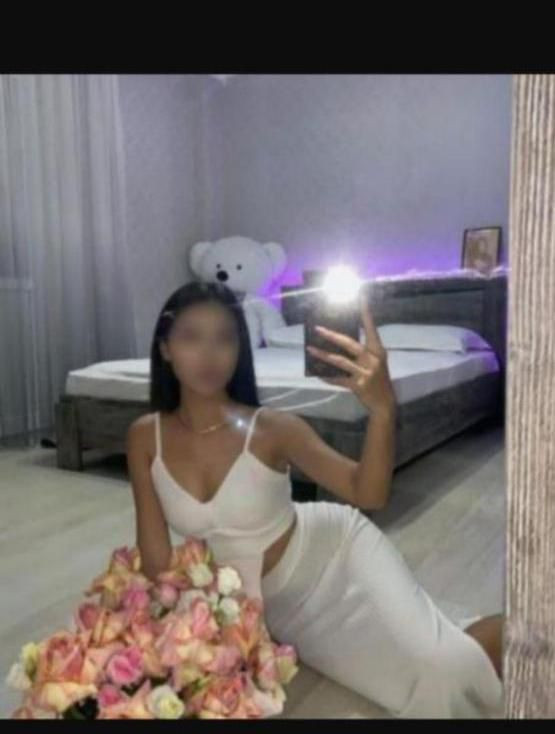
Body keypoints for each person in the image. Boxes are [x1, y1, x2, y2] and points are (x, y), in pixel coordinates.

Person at [126, 280, 505, 719]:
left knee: (442, 666)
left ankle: (523, 631)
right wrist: (180, 639)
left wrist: (382, 410)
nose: (209, 355)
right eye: (192, 337)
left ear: (240, 349)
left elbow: (369, 492)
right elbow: (157, 563)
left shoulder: (273, 428)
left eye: (224, 338)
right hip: (272, 606)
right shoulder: (145, 437)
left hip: (336, 553)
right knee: (405, 682)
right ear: (165, 348)